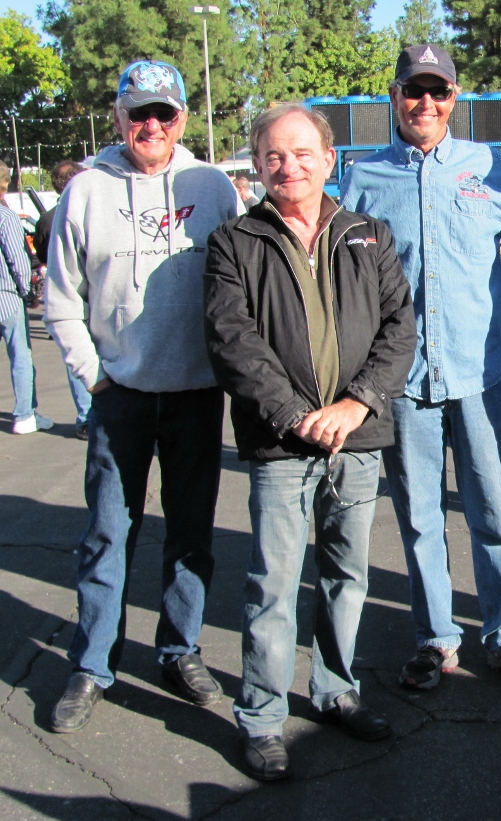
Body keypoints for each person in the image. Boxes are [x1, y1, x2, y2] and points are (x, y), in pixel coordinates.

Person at [204, 103, 416, 781]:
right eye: (272, 155)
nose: (287, 166)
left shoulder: (369, 236)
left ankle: (334, 689)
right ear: (257, 164)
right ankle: (262, 716)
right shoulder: (235, 242)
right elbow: (233, 342)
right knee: (272, 582)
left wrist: (355, 405)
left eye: (301, 154)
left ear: (330, 161)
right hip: (280, 443)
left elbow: (399, 328)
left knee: (346, 574)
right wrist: (298, 415)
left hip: (356, 437)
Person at [340, 44, 501, 691]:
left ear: (455, 98)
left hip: (478, 377)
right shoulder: (364, 178)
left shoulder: (490, 167)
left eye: (438, 92)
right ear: (395, 95)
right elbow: (342, 280)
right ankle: (435, 637)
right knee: (419, 518)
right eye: (415, 91)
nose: (426, 104)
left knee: (493, 510)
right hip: (401, 383)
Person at [43, 60, 243, 734]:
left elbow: (243, 278)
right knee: (107, 532)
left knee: (190, 534)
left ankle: (179, 649)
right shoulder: (88, 191)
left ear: (183, 117)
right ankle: (93, 661)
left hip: (195, 394)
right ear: (118, 118)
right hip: (120, 393)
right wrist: (92, 374)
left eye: (164, 113)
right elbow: (61, 296)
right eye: (138, 114)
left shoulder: (211, 186)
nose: (150, 125)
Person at [34, 159, 91, 439]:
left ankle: (85, 416)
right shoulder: (94, 210)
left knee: (77, 361)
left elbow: (44, 257)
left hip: (69, 296)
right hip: (90, 300)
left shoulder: (47, 218)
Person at [0, 160, 52, 434]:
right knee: (20, 355)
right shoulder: (5, 217)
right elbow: (17, 260)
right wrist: (28, 291)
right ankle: (24, 414)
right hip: (5, 296)